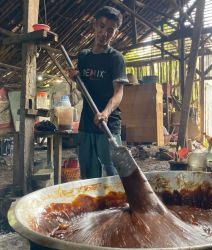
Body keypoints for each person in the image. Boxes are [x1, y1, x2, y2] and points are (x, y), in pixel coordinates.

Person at [69, 6, 128, 179]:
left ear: (115, 32)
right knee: (88, 173)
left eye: (110, 30)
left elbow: (118, 93)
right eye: (101, 26)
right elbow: (83, 89)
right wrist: (76, 79)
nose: (104, 33)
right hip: (87, 123)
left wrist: (106, 113)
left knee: (112, 172)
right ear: (94, 25)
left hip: (107, 125)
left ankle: (119, 204)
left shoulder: (115, 58)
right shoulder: (84, 56)